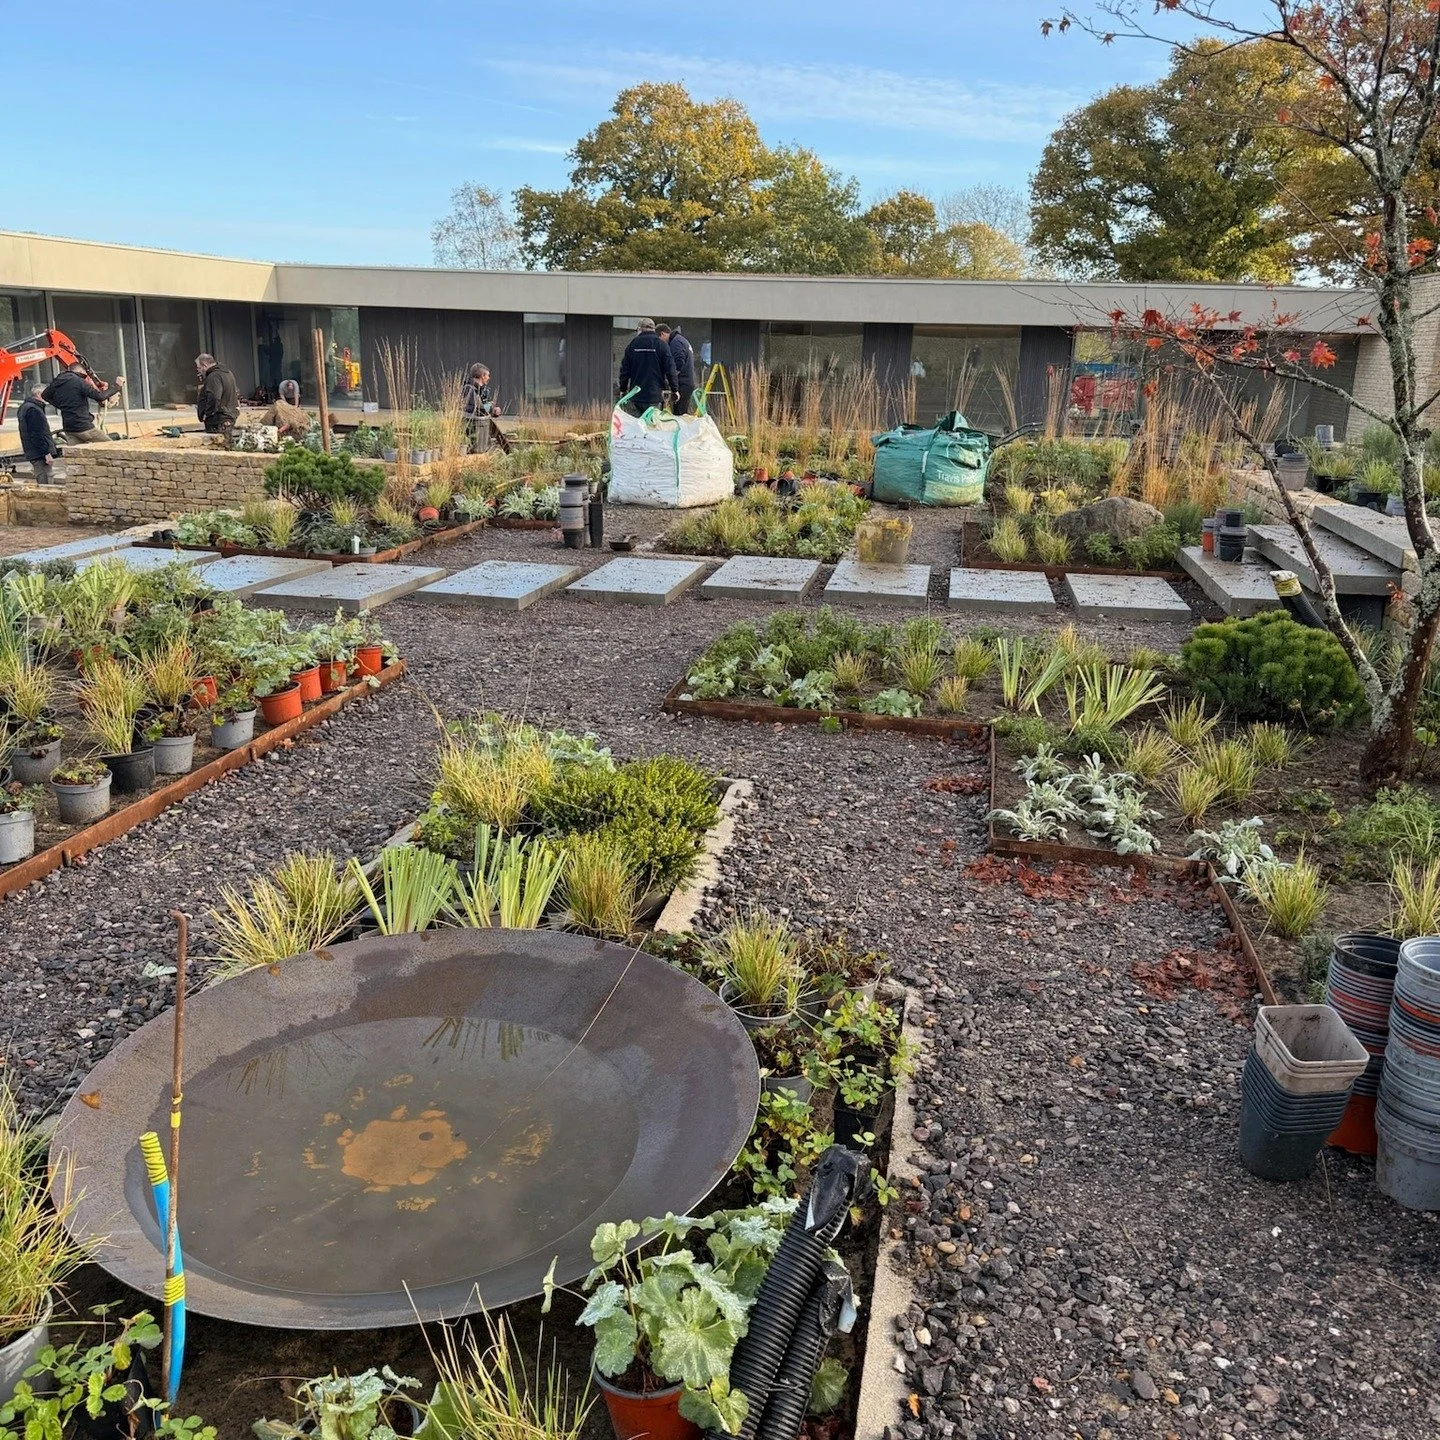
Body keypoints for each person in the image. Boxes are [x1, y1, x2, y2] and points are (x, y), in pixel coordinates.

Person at [41, 363, 123, 442]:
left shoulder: (57, 381)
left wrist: (62, 406)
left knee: (76, 454)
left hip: (69, 428)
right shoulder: (78, 381)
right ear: (81, 371)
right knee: (109, 447)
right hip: (84, 426)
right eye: (84, 375)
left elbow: (45, 395)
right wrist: (117, 386)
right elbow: (99, 396)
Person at [618, 319, 677, 415]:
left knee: (636, 426)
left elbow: (624, 370)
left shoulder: (633, 345)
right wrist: (675, 389)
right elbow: (670, 369)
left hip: (636, 395)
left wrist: (623, 389)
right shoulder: (661, 345)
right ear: (654, 329)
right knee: (652, 426)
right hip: (654, 396)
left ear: (640, 329)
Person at [462, 363, 511, 454]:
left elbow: (484, 407)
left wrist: (493, 410)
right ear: (482, 376)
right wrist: (491, 409)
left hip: (482, 426)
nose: (489, 378)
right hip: (472, 427)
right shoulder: (469, 389)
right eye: (488, 375)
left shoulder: (483, 390)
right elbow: (475, 409)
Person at [195, 353, 239, 444]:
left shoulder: (214, 376)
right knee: (226, 444)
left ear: (205, 365)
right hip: (228, 416)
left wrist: (207, 414)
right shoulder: (227, 373)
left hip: (218, 419)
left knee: (219, 446)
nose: (198, 371)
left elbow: (214, 397)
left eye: (199, 367)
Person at [17, 386, 59, 482]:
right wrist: (47, 453)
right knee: (46, 479)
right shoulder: (34, 410)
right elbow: (37, 434)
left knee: (43, 477)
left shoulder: (25, 407)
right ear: (39, 394)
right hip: (39, 453)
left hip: (34, 451)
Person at [657, 324, 696, 415]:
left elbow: (678, 363)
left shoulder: (676, 342)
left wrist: (670, 378)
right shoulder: (681, 340)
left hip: (683, 383)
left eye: (659, 339)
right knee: (681, 412)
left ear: (662, 334)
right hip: (687, 382)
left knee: (679, 414)